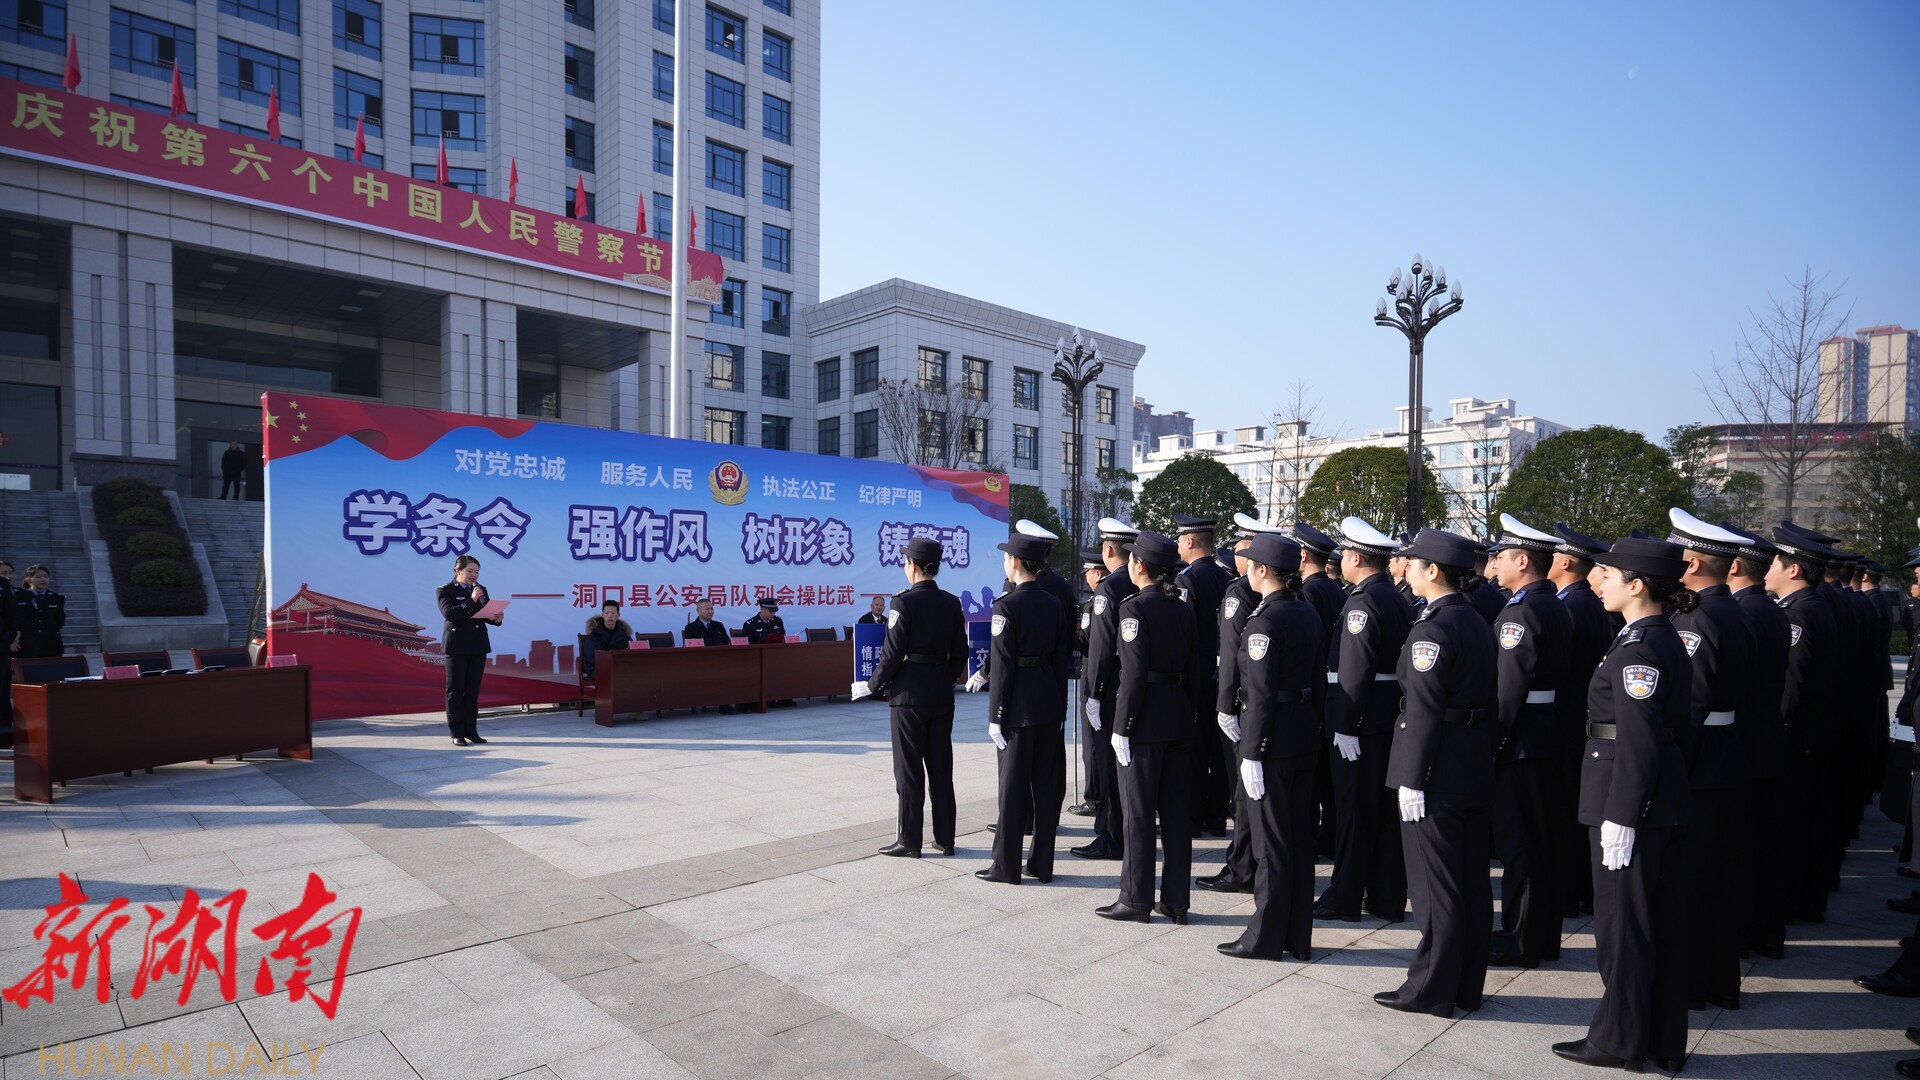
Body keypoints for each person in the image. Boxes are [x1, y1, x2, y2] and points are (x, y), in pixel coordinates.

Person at [1551, 537, 1692, 1073]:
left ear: (1636, 585)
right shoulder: (1651, 637)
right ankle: (1655, 1039)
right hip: (1645, 794)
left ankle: (1619, 1040)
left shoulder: (1640, 649)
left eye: (1607, 575)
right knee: (1648, 923)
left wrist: (1623, 815)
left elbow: (1640, 738)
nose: (1597, 582)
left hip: (1626, 797)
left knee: (1622, 928)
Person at [1373, 529, 1498, 1018]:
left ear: (1433, 570)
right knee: (1470, 880)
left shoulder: (1433, 628)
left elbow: (1424, 709)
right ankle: (1465, 986)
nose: (1405, 567)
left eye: (1412, 561)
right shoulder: (1474, 618)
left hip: (1436, 764)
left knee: (1435, 885)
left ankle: (1430, 988)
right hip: (1469, 758)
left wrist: (1413, 776)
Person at [1665, 509, 1758, 1011]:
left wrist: (1672, 767)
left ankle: (1693, 984)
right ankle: (1719, 981)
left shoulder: (1697, 617)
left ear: (1694, 562)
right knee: (1717, 878)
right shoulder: (1732, 609)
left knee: (1693, 880)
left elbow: (1693, 703)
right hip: (1726, 755)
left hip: (1701, 762)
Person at [1217, 532, 1323, 961]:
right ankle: (1296, 936)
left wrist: (1252, 751)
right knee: (1297, 841)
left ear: (1262, 570)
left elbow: (1260, 695)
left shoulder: (1264, 621)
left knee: (1270, 844)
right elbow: (1316, 681)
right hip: (1301, 733)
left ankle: (1263, 937)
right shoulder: (1306, 611)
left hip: (1272, 739)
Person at [1097, 530, 1206, 924]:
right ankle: (1176, 900)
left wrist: (1122, 726)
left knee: (1139, 814)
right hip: (1178, 718)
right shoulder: (1182, 608)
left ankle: (1135, 898)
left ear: (1139, 566)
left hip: (1144, 722)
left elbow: (1134, 674)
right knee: (1175, 815)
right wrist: (1190, 715)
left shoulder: (1134, 609)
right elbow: (1195, 670)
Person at [1483, 514, 1573, 970]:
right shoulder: (1551, 603)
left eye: (1501, 556)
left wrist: (1493, 742)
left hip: (1521, 739)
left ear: (1523, 561)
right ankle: (1540, 935)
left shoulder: (1522, 611)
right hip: (1544, 733)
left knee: (1521, 844)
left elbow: (1508, 689)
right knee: (1541, 840)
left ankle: (1520, 938)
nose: (1495, 564)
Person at [1317, 516, 1412, 923]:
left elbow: (1355, 671)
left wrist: (1346, 725)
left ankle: (1345, 897)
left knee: (1354, 811)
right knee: (1382, 812)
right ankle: (1387, 897)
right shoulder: (1392, 595)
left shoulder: (1363, 602)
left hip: (1361, 719)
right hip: (1384, 716)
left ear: (1356, 558)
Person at [856, 537, 968, 858]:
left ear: (913, 566)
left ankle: (909, 841)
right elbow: (960, 652)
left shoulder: (902, 603)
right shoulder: (950, 602)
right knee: (941, 769)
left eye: (906, 562)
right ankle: (945, 839)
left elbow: (892, 654)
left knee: (908, 771)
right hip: (940, 693)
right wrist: (945, 678)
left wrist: (873, 685)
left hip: (908, 695)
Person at [976, 532, 1072, 885]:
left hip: (1017, 708)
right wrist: (1061, 709)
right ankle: (1042, 865)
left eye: (1006, 558)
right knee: (1046, 791)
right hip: (1048, 703)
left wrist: (995, 716)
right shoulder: (1053, 603)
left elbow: (1002, 666)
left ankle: (1005, 866)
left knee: (1013, 789)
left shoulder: (1006, 606)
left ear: (1015, 562)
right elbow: (1061, 661)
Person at [1724, 523, 1794, 959]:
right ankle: (1763, 931)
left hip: (1747, 743)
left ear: (1733, 566)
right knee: (1760, 845)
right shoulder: (1766, 608)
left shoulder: (1746, 612)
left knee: (1743, 849)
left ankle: (1748, 933)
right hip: (1764, 739)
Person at [1767, 527, 1842, 924]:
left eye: (1774, 563)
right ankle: (1804, 901)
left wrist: (1776, 733)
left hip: (1797, 740)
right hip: (1815, 735)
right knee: (1806, 825)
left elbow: (1790, 685)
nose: (1767, 570)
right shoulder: (1815, 605)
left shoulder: (1797, 613)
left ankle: (1788, 906)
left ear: (1793, 569)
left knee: (1789, 830)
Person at [1200, 516, 1275, 896]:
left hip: (1245, 702)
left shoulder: (1240, 592)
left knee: (1243, 790)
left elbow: (1230, 654)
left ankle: (1242, 867)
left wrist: (1225, 704)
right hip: (1267, 703)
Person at [1552, 523, 1615, 918]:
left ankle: (1572, 891)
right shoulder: (1585, 602)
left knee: (1566, 811)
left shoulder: (1572, 605)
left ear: (1566, 562)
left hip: (1568, 718)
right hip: (1581, 719)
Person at [1074, 517, 1140, 860]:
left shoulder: (1109, 589)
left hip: (1112, 689)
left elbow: (1100, 649)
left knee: (1109, 766)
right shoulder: (1141, 582)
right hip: (1136, 687)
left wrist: (1095, 694)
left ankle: (1111, 837)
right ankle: (1125, 833)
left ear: (1109, 550)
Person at [1174, 514, 1234, 839]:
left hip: (1196, 677)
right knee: (1219, 750)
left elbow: (1183, 632)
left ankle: (1193, 817)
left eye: (1179, 538)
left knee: (1195, 750)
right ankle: (1216, 816)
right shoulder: (1226, 577)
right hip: (1221, 676)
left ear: (1190, 541)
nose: (1177, 543)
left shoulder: (1187, 580)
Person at [1295, 521, 1346, 859]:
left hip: (1317, 687)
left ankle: (1314, 838)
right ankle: (1330, 836)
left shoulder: (1308, 593)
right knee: (1329, 776)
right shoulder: (1336, 589)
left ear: (1302, 555)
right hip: (1335, 688)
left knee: (1314, 777)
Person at [438, 555, 501, 747]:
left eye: (477, 571)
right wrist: (472, 600)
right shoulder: (445, 590)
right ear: (457, 571)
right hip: (456, 646)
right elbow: (450, 614)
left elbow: (485, 615)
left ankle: (472, 732)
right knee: (455, 691)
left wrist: (496, 619)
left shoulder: (481, 590)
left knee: (472, 692)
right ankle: (457, 733)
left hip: (477, 645)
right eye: (470, 571)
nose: (474, 575)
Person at [1069, 547, 1106, 818]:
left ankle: (1093, 798)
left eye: (1088, 573)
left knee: (1092, 741)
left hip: (1092, 672)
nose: (1086, 578)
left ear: (1097, 573)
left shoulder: (1094, 604)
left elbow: (1086, 641)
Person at [13, 565, 65, 659]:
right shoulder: (19, 596)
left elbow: (59, 621)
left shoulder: (57, 598)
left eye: (45, 576)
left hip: (51, 644)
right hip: (26, 644)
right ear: (28, 580)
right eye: (38, 577)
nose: (43, 579)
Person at [582, 600, 632, 681]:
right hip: (597, 668)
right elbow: (591, 659)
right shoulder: (595, 633)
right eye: (606, 613)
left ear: (618, 615)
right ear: (602, 615)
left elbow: (631, 651)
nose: (609, 616)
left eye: (613, 613)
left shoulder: (623, 632)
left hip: (618, 668)